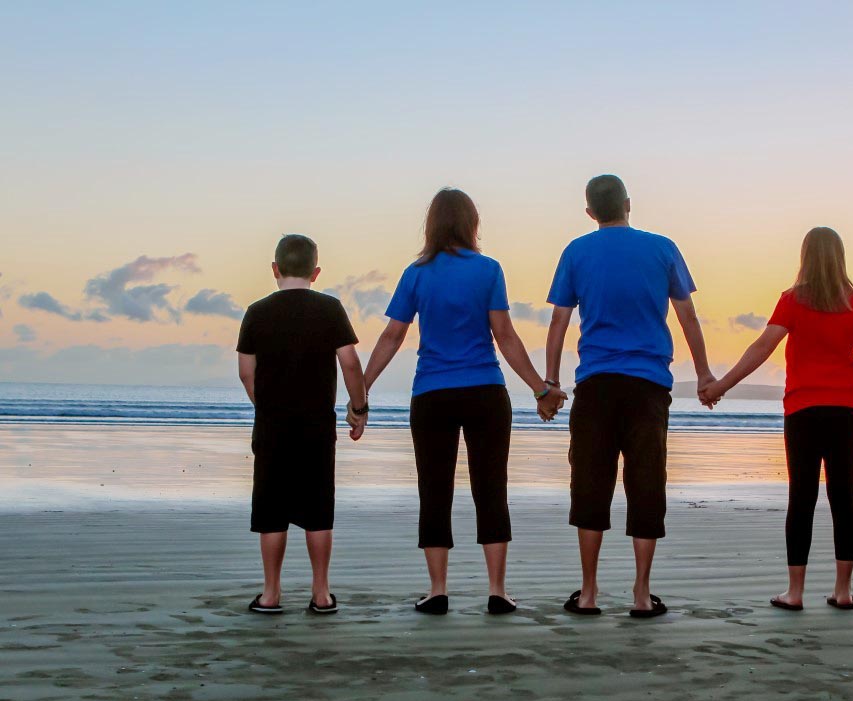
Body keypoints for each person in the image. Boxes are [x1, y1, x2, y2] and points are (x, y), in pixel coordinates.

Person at [359, 188, 566, 616]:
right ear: (472, 223)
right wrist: (539, 389)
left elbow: (392, 336)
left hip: (432, 394)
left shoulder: (416, 273)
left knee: (434, 492)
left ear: (432, 224)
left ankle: (437, 591)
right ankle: (497, 591)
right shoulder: (488, 269)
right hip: (485, 393)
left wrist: (361, 391)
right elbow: (504, 336)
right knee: (491, 490)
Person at [545, 174, 714, 618]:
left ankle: (588, 593)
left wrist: (549, 382)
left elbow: (559, 323)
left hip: (596, 384)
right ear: (628, 204)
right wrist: (703, 374)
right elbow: (688, 316)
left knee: (589, 485)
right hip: (648, 385)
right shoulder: (662, 247)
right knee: (646, 484)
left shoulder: (577, 251)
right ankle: (641, 594)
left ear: (590, 213)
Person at [700, 227, 853, 611]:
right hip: (846, 410)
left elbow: (763, 346)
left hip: (803, 411)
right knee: (843, 498)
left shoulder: (792, 301)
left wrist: (721, 386)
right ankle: (843, 591)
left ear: (805, 257)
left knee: (801, 498)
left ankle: (795, 593)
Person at [236, 233, 368, 615]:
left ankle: (272, 594)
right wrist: (359, 408)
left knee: (271, 510)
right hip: (316, 426)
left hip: (273, 425)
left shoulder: (256, 312)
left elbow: (247, 372)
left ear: (275, 269)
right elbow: (350, 364)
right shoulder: (330, 308)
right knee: (318, 509)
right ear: (316, 272)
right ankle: (321, 593)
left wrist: (266, 405)